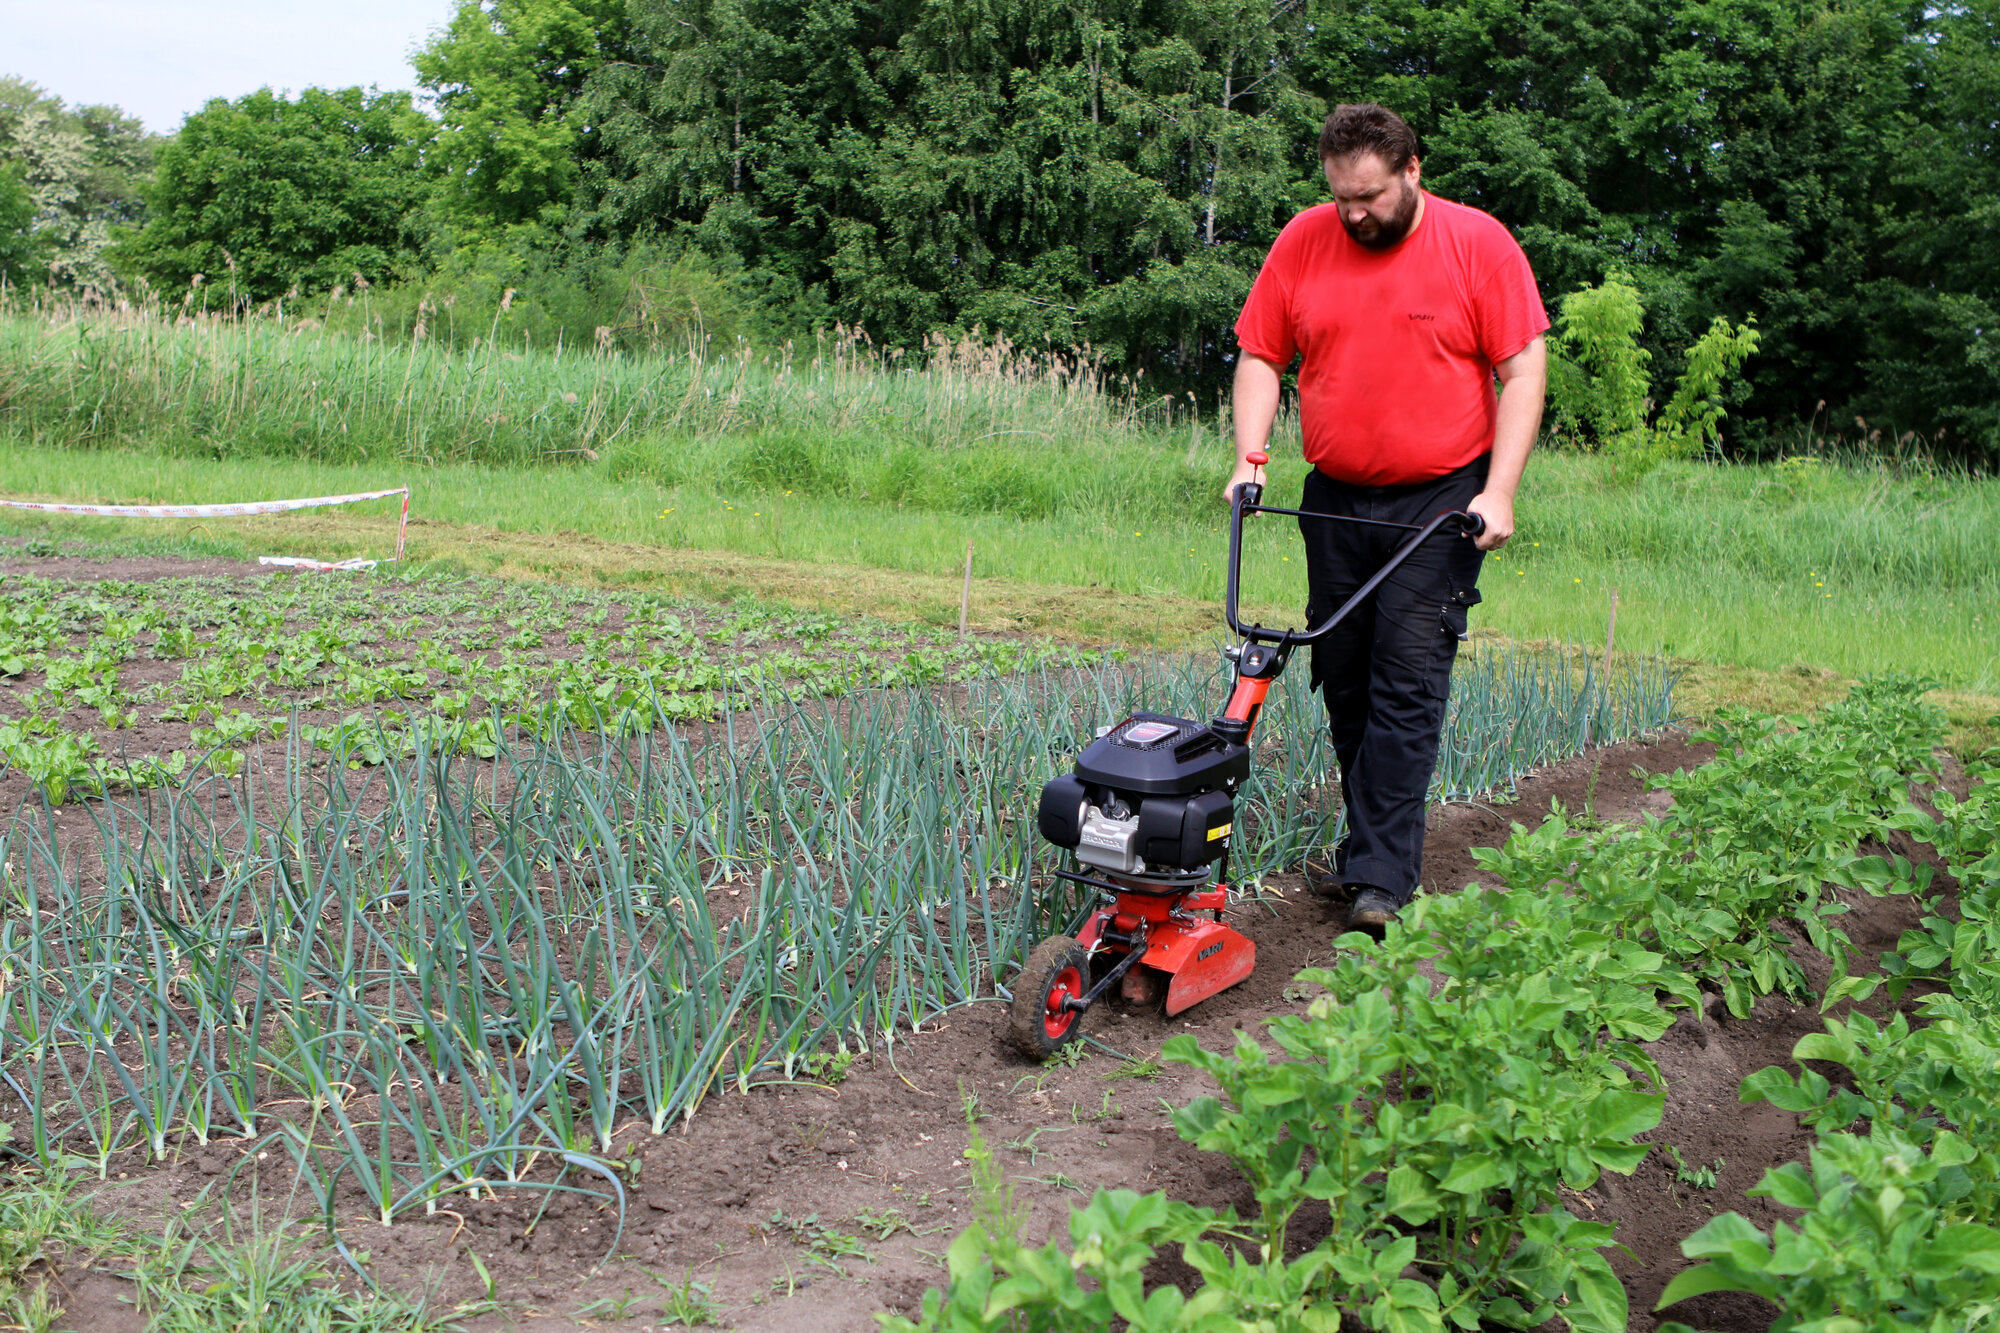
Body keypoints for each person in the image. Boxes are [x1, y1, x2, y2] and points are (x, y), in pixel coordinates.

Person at [1226, 102, 1548, 937]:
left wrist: (1500, 491)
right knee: (1346, 676)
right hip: (1333, 496)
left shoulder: (1476, 243)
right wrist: (1249, 455)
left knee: (1408, 680)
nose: (1354, 214)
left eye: (1368, 197)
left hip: (1438, 499)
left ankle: (1379, 879)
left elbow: (1522, 368)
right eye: (1341, 199)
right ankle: (1370, 850)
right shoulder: (1303, 240)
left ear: (1412, 171)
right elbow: (1262, 353)